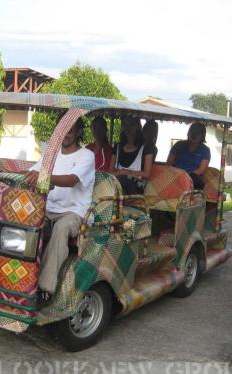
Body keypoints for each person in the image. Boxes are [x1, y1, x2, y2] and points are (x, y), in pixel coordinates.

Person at [24, 117, 94, 301]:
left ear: (79, 131)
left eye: (71, 129)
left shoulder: (86, 155)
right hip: (49, 209)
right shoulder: (51, 152)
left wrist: (45, 176)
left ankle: (44, 288)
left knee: (61, 228)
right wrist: (1, 173)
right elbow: (32, 173)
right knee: (24, 221)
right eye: (62, 129)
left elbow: (72, 180)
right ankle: (18, 277)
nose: (66, 133)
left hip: (74, 213)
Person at [109, 116, 154, 195]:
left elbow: (147, 174)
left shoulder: (146, 148)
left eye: (131, 124)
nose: (128, 128)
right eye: (125, 125)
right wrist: (120, 173)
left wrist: (128, 172)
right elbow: (111, 172)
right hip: (118, 184)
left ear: (137, 126)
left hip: (136, 186)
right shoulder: (117, 147)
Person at [166, 122, 210, 189]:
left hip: (192, 178)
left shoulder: (205, 150)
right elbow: (169, 163)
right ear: (188, 132)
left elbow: (201, 170)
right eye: (192, 132)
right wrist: (177, 175)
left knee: (199, 183)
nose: (193, 135)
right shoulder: (178, 145)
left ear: (202, 136)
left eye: (197, 133)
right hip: (175, 176)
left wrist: (186, 176)